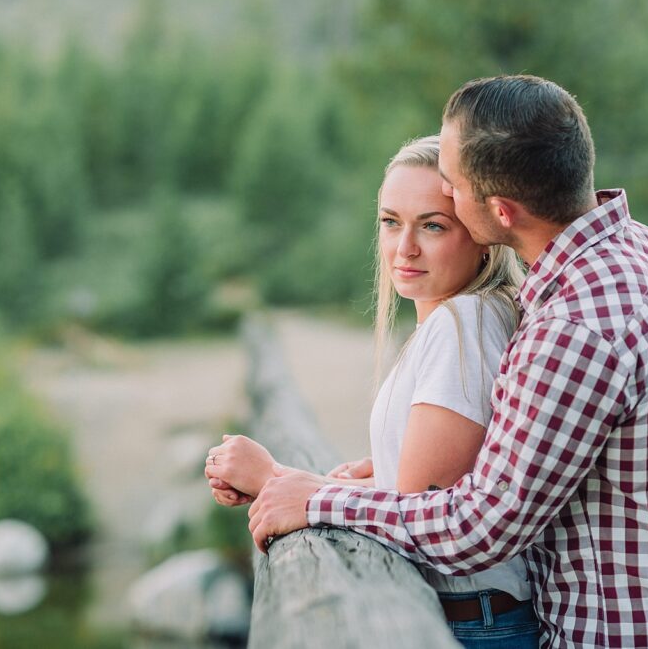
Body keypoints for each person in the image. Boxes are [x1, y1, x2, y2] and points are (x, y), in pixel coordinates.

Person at [246, 75, 648, 648]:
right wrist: (395, 459)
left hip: (629, 634)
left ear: (501, 213)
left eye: (452, 189)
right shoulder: (644, 251)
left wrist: (317, 499)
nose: (446, 192)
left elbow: (480, 528)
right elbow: (556, 445)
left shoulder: (577, 327)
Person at [205, 135, 540, 647]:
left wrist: (274, 478)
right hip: (471, 618)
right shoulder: (461, 320)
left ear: (480, 233)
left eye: (432, 225)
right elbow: (425, 492)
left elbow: (425, 511)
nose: (403, 247)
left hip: (474, 626)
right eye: (390, 222)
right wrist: (372, 472)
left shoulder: (465, 323)